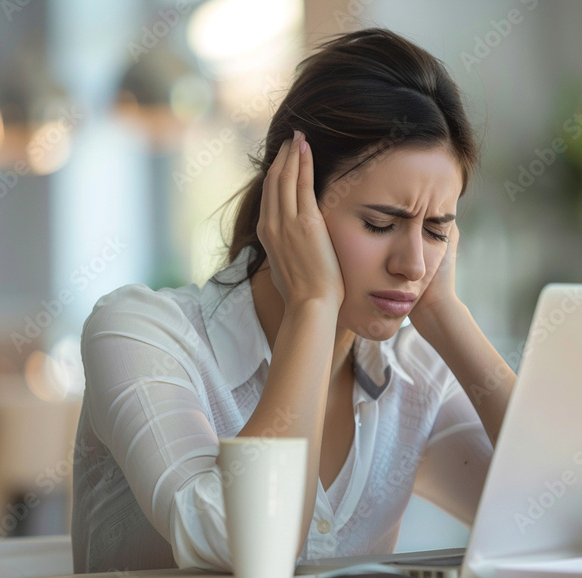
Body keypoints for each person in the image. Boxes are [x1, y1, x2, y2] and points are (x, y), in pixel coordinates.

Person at [71, 27, 516, 573]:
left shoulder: (413, 378)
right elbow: (237, 546)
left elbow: (569, 513)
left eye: (437, 231)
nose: (414, 265)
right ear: (293, 202)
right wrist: (312, 304)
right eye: (380, 224)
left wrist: (448, 317)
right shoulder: (141, 334)